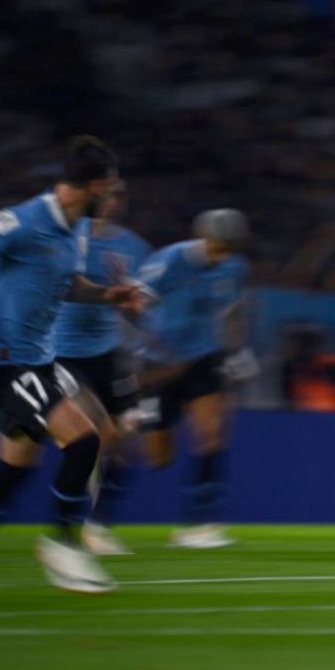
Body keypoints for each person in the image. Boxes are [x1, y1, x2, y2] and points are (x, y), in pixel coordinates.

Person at [0, 135, 141, 597]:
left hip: (39, 360)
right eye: (107, 190)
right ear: (91, 185)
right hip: (4, 361)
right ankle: (64, 547)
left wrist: (108, 295)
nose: (109, 200)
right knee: (84, 439)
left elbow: (66, 283)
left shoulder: (75, 228)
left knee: (19, 461)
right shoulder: (25, 222)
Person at [133, 208, 253, 549]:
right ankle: (130, 420)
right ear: (205, 238)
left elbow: (232, 313)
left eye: (230, 246)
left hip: (203, 357)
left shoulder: (234, 267)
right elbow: (131, 307)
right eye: (220, 245)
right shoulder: (169, 262)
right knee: (158, 458)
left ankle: (199, 523)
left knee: (212, 434)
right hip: (158, 363)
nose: (224, 253)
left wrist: (236, 353)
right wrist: (147, 355)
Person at [53, 178, 152, 556]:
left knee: (129, 439)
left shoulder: (134, 247)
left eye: (121, 196)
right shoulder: (67, 236)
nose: (114, 202)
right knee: (99, 435)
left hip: (109, 353)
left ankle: (99, 525)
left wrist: (138, 311)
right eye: (108, 194)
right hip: (62, 351)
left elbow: (141, 303)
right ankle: (67, 530)